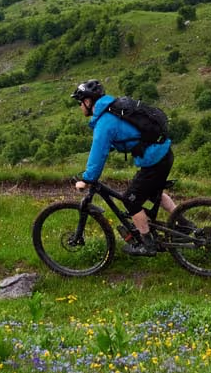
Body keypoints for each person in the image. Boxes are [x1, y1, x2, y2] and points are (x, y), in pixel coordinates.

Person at [71, 79, 179, 256]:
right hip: (163, 153)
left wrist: (87, 179)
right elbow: (125, 135)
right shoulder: (114, 108)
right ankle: (183, 222)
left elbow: (98, 153)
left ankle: (147, 244)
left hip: (155, 159)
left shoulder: (104, 122)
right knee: (153, 192)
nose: (80, 107)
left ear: (88, 102)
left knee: (130, 200)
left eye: (80, 103)